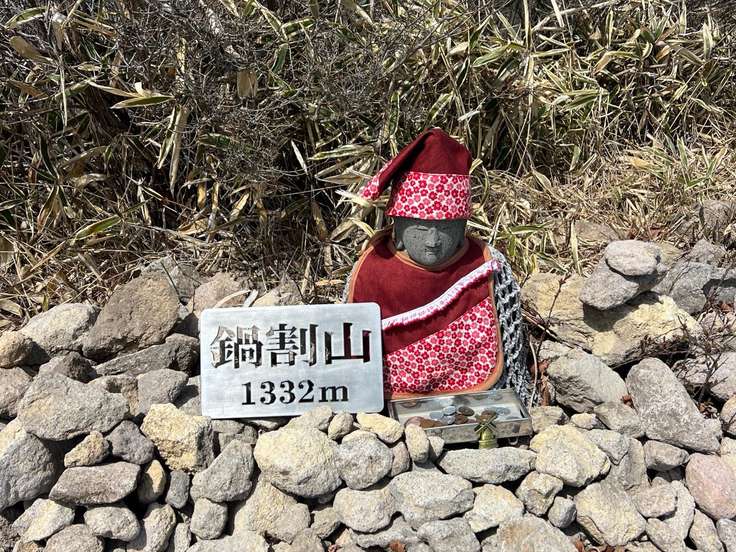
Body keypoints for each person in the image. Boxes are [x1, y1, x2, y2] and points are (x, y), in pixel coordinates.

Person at [344, 128, 532, 404]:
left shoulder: (485, 266)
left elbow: (512, 349)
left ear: (463, 228)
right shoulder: (373, 268)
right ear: (398, 226)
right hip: (385, 401)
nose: (432, 242)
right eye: (420, 229)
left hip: (474, 400)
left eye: (445, 229)